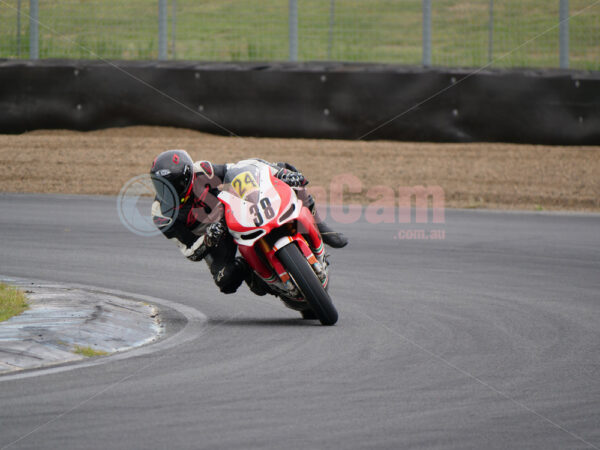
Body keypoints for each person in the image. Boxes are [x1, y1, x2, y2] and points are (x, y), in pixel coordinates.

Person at [150, 149, 347, 296]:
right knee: (225, 282)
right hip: (211, 237)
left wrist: (279, 173)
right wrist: (209, 239)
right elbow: (189, 251)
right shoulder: (161, 214)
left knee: (286, 169)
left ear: (186, 178)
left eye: (171, 186)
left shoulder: (202, 171)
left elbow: (239, 169)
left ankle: (320, 226)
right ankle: (257, 274)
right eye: (160, 186)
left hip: (232, 210)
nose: (165, 192)